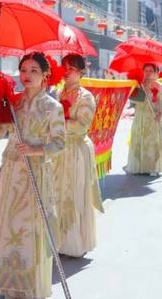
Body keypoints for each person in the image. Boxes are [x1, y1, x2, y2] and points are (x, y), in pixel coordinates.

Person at [0, 52, 66, 299]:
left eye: (34, 71)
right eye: (23, 70)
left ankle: (30, 287)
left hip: (35, 174)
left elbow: (60, 143)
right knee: (8, 227)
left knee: (31, 228)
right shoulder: (12, 102)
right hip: (10, 172)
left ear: (45, 76)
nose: (27, 75)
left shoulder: (53, 107)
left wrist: (35, 150)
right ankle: (9, 284)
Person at [55, 53, 103, 258]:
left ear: (81, 72)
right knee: (56, 194)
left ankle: (75, 244)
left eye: (72, 68)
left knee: (73, 194)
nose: (66, 71)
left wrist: (55, 125)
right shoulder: (56, 93)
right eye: (64, 66)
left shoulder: (86, 97)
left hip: (75, 149)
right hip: (56, 150)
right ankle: (57, 241)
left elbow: (82, 126)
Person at [124, 63, 162, 176]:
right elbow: (133, 102)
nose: (148, 73)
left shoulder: (160, 86)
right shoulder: (139, 85)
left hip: (154, 117)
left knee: (152, 141)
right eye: (146, 71)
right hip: (141, 116)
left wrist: (160, 112)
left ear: (155, 73)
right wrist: (137, 89)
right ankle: (139, 167)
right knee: (139, 140)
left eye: (150, 71)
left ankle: (152, 167)